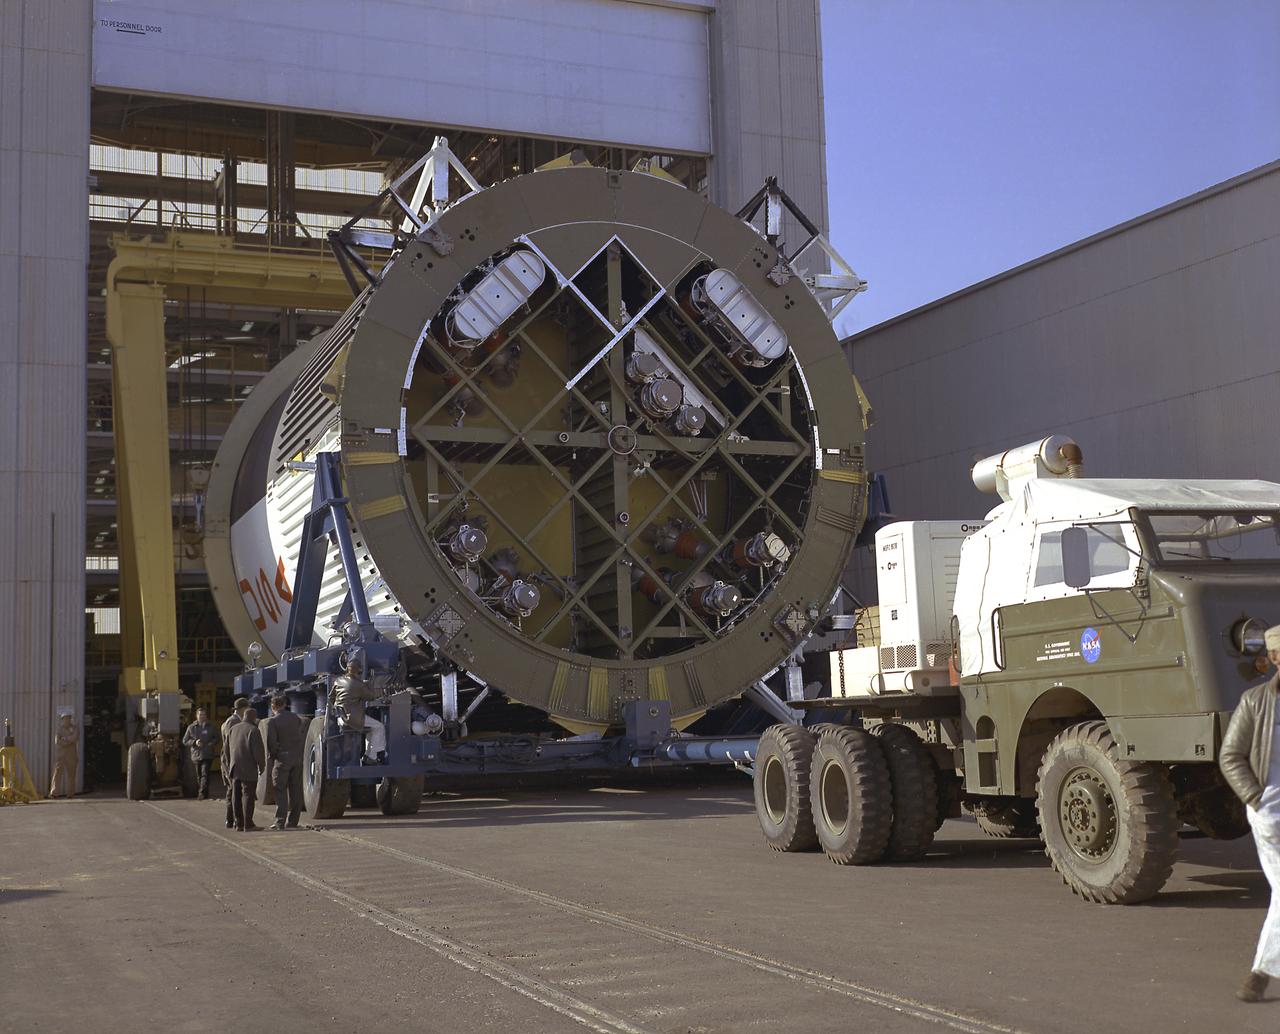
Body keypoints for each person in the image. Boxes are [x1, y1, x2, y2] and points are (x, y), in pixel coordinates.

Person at [1221, 623, 1280, 1003]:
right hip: (1272, 812)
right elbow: (1230, 756)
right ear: (1275, 658)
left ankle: (1262, 970)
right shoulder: (1256, 702)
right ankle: (1260, 972)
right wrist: (1257, 800)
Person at [265, 695, 306, 830]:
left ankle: (280, 821)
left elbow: (272, 743)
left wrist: (275, 756)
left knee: (280, 789)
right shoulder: (295, 718)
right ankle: (293, 821)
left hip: (282, 760)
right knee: (295, 790)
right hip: (297, 759)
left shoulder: (272, 722)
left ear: (273, 707)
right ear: (284, 705)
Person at [225, 708, 264, 832]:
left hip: (234, 767)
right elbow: (258, 752)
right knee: (248, 795)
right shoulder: (253, 730)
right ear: (253, 718)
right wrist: (261, 766)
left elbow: (226, 750)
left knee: (235, 795)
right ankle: (248, 824)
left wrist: (229, 764)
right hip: (248, 767)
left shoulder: (233, 729)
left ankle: (238, 823)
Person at [221, 698, 248, 829]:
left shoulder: (232, 721)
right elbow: (230, 744)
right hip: (231, 760)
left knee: (233, 790)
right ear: (242, 709)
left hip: (230, 760)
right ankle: (230, 819)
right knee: (232, 790)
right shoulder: (233, 722)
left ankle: (231, 819)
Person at [182, 707, 219, 800]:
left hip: (208, 754)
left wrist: (212, 743)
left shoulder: (211, 726)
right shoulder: (191, 727)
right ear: (196, 716)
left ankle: (201, 793)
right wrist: (195, 742)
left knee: (205, 773)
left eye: (203, 715)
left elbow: (217, 738)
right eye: (200, 715)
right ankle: (205, 792)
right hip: (196, 755)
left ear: (206, 716)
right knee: (199, 775)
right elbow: (185, 740)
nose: (202, 716)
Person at [48, 712, 78, 799]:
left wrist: (64, 739)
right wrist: (68, 741)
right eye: (64, 718)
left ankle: (70, 794)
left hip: (72, 755)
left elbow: (74, 738)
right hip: (61, 755)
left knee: (71, 774)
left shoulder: (74, 728)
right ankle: (54, 793)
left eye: (68, 718)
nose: (66, 720)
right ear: (62, 720)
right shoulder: (59, 729)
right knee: (57, 773)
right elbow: (57, 741)